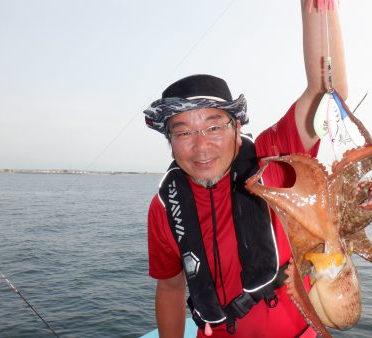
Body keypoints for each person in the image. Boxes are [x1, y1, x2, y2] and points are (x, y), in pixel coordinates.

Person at [144, 1, 347, 337]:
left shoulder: (275, 158)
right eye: (183, 132)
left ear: (237, 127)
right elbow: (169, 287)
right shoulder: (164, 208)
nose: (201, 145)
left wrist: (319, 12)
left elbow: (327, 93)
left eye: (214, 127)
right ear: (170, 140)